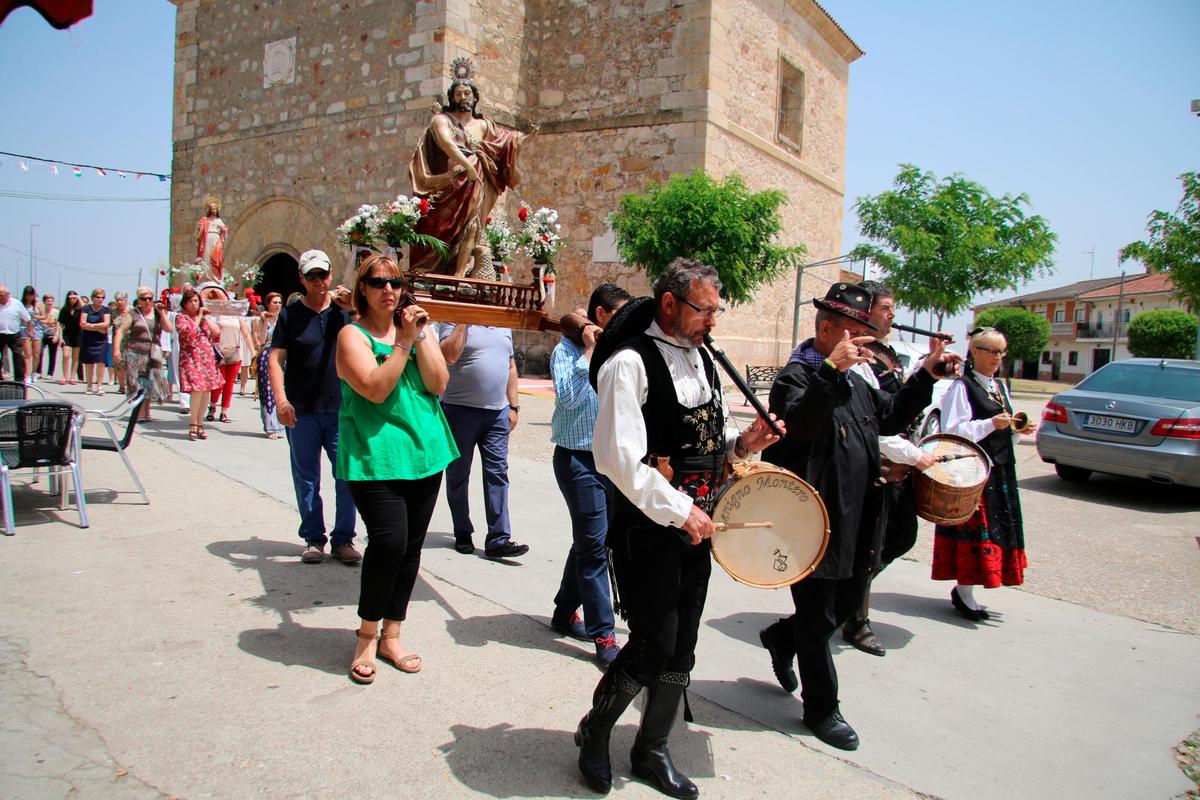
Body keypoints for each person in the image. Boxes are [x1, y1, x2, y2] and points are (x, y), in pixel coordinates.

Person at [575, 258, 782, 797]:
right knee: (652, 643)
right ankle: (595, 731)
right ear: (670, 304)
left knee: (683, 645)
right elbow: (617, 459)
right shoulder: (630, 363)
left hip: (698, 523)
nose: (712, 320)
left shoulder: (704, 359)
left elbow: (708, 445)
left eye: (717, 310)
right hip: (648, 525)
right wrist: (680, 510)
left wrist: (745, 445)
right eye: (704, 310)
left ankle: (652, 748)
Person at [757, 282, 956, 752]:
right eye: (854, 334)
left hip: (860, 516)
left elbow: (887, 417)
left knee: (844, 606)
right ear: (826, 330)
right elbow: (800, 427)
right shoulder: (799, 376)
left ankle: (780, 638)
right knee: (818, 613)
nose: (864, 345)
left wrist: (924, 375)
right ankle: (822, 708)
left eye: (866, 336)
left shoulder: (856, 379)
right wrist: (831, 370)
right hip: (812, 521)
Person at [338, 254, 459, 684]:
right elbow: (374, 388)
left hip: (425, 453)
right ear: (363, 289)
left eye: (394, 282)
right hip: (376, 457)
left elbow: (438, 383)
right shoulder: (352, 336)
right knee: (388, 542)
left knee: (410, 548)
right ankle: (366, 635)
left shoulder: (414, 329)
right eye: (377, 282)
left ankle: (392, 634)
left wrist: (420, 335)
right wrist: (404, 343)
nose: (387, 289)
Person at [841, 281, 939, 656]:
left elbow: (895, 406)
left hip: (896, 464)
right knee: (868, 547)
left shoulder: (886, 354)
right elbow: (871, 423)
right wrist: (914, 456)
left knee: (900, 537)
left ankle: (845, 601)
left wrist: (927, 369)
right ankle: (854, 617)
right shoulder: (854, 359)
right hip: (874, 468)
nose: (892, 316)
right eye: (885, 309)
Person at [549, 284, 631, 666]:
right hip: (577, 462)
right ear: (600, 315)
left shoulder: (623, 352)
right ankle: (604, 635)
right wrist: (590, 352)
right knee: (595, 548)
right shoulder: (565, 352)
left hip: (611, 463)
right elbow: (567, 399)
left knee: (591, 542)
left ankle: (565, 611)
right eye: (619, 314)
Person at [932, 327, 1033, 620]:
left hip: (1000, 468)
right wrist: (990, 424)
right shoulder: (962, 387)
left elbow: (1005, 425)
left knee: (994, 530)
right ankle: (964, 592)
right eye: (991, 351)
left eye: (1001, 352)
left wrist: (1017, 428)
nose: (997, 358)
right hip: (974, 469)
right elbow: (953, 431)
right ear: (975, 352)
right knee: (974, 533)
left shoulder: (999, 386)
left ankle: (969, 589)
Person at [268, 249, 361, 565]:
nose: (319, 281)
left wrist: (354, 308)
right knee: (306, 477)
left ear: (331, 274)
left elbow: (371, 339)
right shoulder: (290, 315)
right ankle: (313, 538)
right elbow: (275, 359)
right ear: (302, 279)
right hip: (302, 409)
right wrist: (280, 400)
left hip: (340, 409)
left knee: (347, 475)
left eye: (323, 274)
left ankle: (344, 539)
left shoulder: (344, 313)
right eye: (312, 275)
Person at [408, 56, 537, 276]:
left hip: (475, 182)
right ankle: (430, 274)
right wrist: (466, 164)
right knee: (437, 231)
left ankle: (458, 276)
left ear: (475, 97)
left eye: (467, 94)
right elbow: (447, 143)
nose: (463, 97)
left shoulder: (483, 125)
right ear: (452, 97)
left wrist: (529, 137)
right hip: (449, 183)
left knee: (473, 227)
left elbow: (506, 142)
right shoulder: (442, 119)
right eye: (458, 94)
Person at [437, 322, 528, 559]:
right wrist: (463, 321)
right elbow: (448, 355)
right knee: (458, 474)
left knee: (498, 472)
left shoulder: (503, 326)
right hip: (459, 410)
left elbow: (510, 366)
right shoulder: (452, 322)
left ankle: (498, 539)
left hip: (497, 412)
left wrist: (514, 406)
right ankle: (462, 531)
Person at [112, 287, 173, 420]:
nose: (147, 301)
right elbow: (120, 331)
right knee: (136, 384)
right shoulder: (133, 314)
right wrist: (116, 350)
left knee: (150, 383)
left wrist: (162, 313)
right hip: (135, 352)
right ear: (138, 300)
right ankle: (139, 413)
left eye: (149, 298)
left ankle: (147, 411)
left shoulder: (158, 313)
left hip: (153, 352)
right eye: (143, 298)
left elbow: (169, 328)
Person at [199, 283, 251, 424]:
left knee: (229, 384)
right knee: (219, 383)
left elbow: (246, 334)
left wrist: (253, 351)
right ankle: (213, 406)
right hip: (219, 352)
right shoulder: (214, 315)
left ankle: (224, 411)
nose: (222, 300)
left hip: (234, 351)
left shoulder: (237, 316)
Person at [176, 289, 223, 440]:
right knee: (197, 389)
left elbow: (216, 332)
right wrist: (198, 318)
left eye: (196, 301)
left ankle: (200, 424)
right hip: (191, 357)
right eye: (191, 301)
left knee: (206, 390)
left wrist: (206, 317)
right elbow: (188, 333)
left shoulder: (202, 318)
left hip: (207, 358)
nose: (194, 304)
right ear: (185, 303)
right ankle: (193, 424)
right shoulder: (181, 317)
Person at [254, 292, 284, 439]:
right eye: (275, 302)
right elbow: (261, 340)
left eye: (279, 302)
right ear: (268, 304)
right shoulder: (263, 319)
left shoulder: (284, 318)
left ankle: (280, 423)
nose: (278, 305)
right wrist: (265, 321)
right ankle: (270, 425)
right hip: (267, 354)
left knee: (280, 390)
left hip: (281, 355)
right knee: (267, 390)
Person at [78, 288, 111, 395]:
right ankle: (89, 386)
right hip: (88, 339)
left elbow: (106, 324)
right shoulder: (86, 308)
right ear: (93, 297)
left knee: (100, 362)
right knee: (89, 363)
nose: (100, 299)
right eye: (98, 297)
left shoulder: (106, 309)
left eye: (102, 297)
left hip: (101, 340)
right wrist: (97, 327)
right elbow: (82, 324)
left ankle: (100, 386)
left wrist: (91, 325)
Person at [0, 285, 30, 382]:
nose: (0, 298)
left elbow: (28, 319)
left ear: (8, 295)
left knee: (18, 356)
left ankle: (20, 379)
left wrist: (30, 330)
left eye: (2, 296)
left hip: (14, 334)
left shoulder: (16, 303)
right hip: (0, 334)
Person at [196, 196, 229, 279]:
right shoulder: (205, 219)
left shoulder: (219, 220)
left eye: (215, 209)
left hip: (216, 239)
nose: (214, 211)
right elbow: (200, 231)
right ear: (209, 210)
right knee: (207, 256)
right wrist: (200, 228)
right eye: (212, 209)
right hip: (207, 239)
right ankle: (207, 276)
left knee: (216, 257)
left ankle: (215, 276)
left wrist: (224, 229)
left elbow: (225, 230)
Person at [57, 291, 82, 385]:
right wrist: (60, 337)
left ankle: (72, 377)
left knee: (75, 357)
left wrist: (79, 298)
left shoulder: (80, 309)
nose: (72, 300)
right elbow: (60, 324)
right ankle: (64, 376)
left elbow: (85, 308)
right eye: (70, 298)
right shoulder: (64, 309)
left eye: (74, 298)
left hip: (78, 334)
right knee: (66, 355)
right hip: (67, 334)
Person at [20, 286, 43, 385]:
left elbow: (44, 316)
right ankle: (27, 374)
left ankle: (34, 372)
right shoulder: (21, 304)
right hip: (24, 329)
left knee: (36, 354)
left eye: (31, 295)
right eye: (27, 295)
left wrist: (36, 316)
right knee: (27, 354)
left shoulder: (38, 304)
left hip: (37, 329)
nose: (29, 297)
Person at [110, 292, 130, 392]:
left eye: (121, 300)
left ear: (126, 300)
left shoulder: (133, 311)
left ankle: (131, 385)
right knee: (119, 365)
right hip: (118, 342)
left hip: (131, 341)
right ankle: (122, 386)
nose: (119, 302)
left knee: (131, 365)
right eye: (117, 300)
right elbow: (107, 324)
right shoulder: (113, 312)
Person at [40, 293, 60, 379]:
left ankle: (50, 373)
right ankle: (38, 372)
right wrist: (48, 322)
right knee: (39, 353)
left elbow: (58, 324)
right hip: (42, 334)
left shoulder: (56, 312)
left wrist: (57, 335)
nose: (50, 302)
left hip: (52, 334)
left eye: (51, 301)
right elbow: (39, 322)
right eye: (48, 301)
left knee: (52, 355)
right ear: (44, 301)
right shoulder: (41, 310)